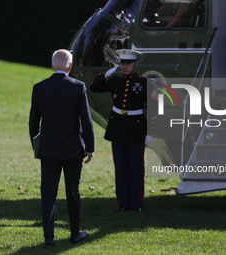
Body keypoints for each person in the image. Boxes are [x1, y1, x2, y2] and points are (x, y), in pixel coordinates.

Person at [29, 49, 94, 248]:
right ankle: (74, 234)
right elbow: (86, 121)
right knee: (72, 191)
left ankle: (49, 238)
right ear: (70, 66)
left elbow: (33, 123)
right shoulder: (78, 87)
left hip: (48, 149)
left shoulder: (39, 88)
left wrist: (36, 145)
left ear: (52, 65)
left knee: (48, 193)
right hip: (73, 148)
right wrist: (89, 147)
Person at [90, 49, 155, 213]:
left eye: (128, 63)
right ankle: (123, 204)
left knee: (135, 168)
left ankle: (136, 204)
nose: (124, 67)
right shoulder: (115, 81)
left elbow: (155, 108)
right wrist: (109, 72)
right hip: (118, 129)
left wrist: (151, 132)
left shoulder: (145, 83)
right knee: (120, 168)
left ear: (135, 64)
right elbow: (94, 87)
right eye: (122, 63)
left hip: (136, 130)